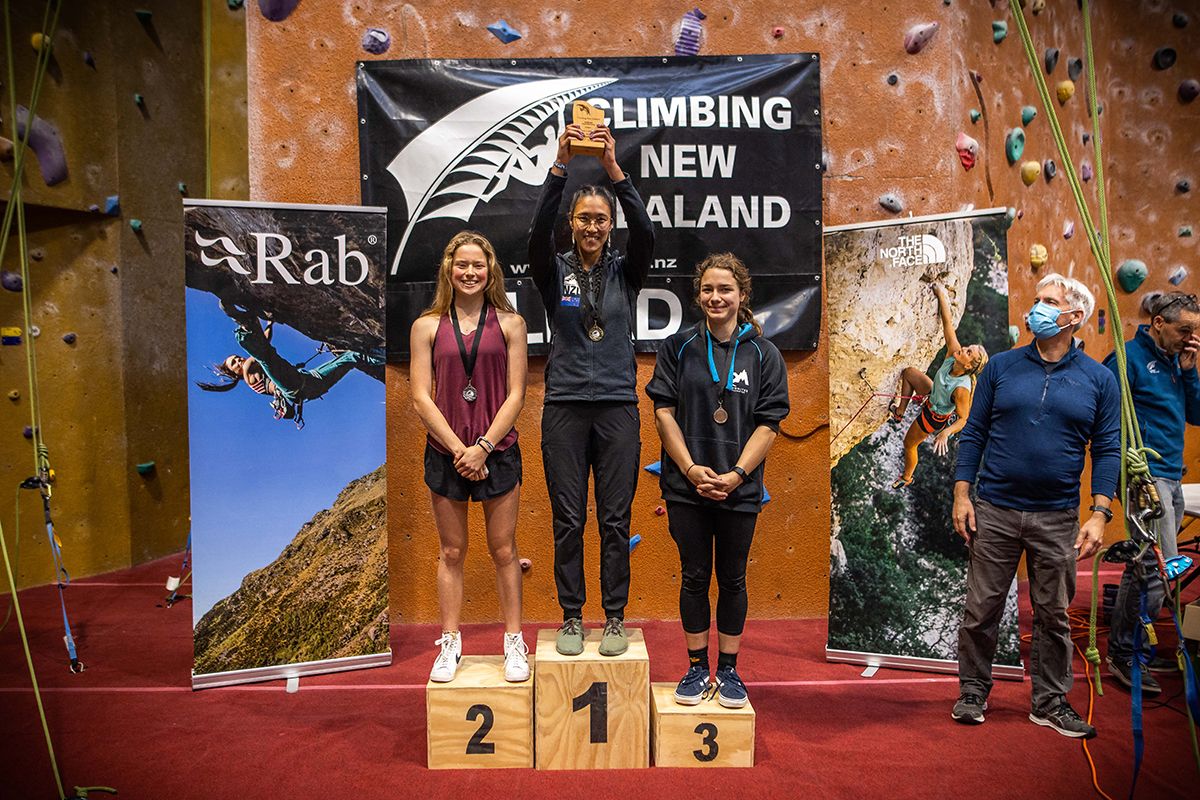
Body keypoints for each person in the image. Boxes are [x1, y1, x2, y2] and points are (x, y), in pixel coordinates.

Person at [952, 273, 1120, 739]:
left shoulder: (1099, 380)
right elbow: (974, 434)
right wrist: (962, 494)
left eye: (1050, 302)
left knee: (1053, 615)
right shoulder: (1000, 368)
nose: (1037, 309)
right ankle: (972, 691)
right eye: (1037, 300)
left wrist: (1100, 512)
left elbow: (1107, 448)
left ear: (1074, 317)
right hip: (995, 509)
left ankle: (1049, 702)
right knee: (981, 609)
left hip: (1058, 516)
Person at [528, 120, 654, 657]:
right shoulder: (553, 271)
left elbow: (647, 231)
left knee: (615, 519)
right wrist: (560, 166)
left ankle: (616, 618)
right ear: (573, 223)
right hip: (564, 408)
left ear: (610, 224)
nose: (592, 227)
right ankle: (573, 617)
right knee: (569, 519)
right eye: (584, 219)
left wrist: (612, 170)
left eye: (601, 219)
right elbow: (536, 232)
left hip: (618, 409)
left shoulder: (628, 272)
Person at [646, 253, 789, 708]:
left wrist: (736, 474)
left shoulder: (765, 355)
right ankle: (694, 669)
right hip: (686, 486)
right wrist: (690, 469)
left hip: (739, 487)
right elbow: (662, 411)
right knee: (693, 576)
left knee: (732, 579)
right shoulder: (678, 346)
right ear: (698, 294)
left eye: (725, 289)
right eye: (708, 289)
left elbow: (769, 424)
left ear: (742, 295)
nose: (715, 297)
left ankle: (728, 670)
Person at [410, 231, 529, 683]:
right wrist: (461, 450)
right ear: (448, 268)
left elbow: (517, 394)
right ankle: (451, 642)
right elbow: (421, 397)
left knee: (503, 550)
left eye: (478, 265)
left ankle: (513, 642)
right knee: (452, 550)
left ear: (491, 270)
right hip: (447, 452)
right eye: (462, 264)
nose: (470, 272)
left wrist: (481, 448)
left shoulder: (511, 324)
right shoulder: (425, 326)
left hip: (497, 450)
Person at [1104, 291, 1200, 695]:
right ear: (1159, 323)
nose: (1191, 338)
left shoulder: (1178, 363)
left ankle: (1133, 644)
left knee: (1147, 564)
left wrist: (1191, 371)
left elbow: (1196, 415)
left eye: (1196, 331)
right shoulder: (1128, 358)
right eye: (1185, 330)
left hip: (1171, 475)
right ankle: (1125, 651)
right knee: (1162, 567)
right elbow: (1104, 412)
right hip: (1145, 476)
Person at [198, 301, 384, 429]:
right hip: (292, 387)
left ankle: (384, 355)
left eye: (237, 358)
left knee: (349, 357)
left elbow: (265, 345)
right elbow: (264, 345)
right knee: (264, 355)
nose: (239, 361)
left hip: (310, 383)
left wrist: (270, 323)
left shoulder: (256, 366)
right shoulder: (248, 371)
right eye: (234, 363)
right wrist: (269, 322)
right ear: (235, 373)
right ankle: (245, 323)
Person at [889, 282, 989, 489]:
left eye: (969, 352)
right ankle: (900, 411)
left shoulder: (962, 389)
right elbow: (948, 324)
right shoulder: (954, 355)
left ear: (969, 366)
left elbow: (964, 418)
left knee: (909, 444)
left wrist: (946, 433)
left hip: (933, 416)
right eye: (968, 347)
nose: (964, 349)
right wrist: (941, 294)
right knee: (909, 373)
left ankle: (907, 477)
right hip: (933, 393)